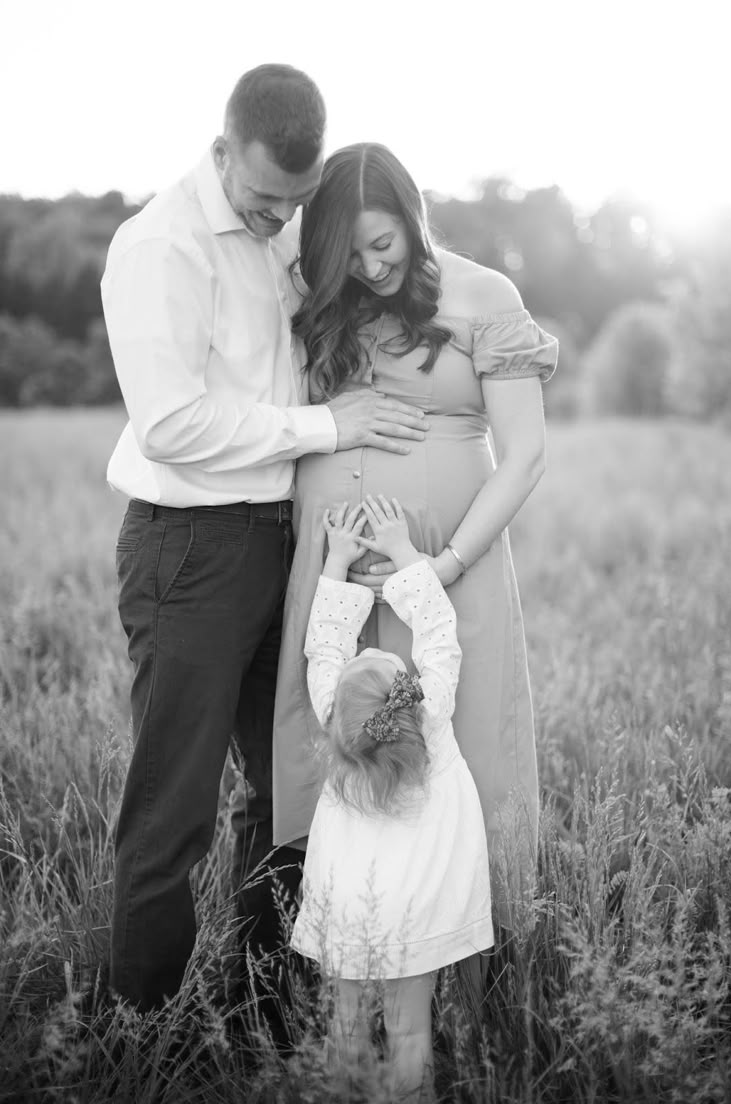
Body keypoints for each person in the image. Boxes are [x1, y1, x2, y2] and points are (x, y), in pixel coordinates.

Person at [101, 71, 428, 1011]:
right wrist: (329, 428)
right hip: (189, 550)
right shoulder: (159, 247)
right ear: (223, 146)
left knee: (288, 784)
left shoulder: (283, 224)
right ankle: (141, 1021)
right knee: (175, 806)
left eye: (295, 197)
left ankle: (263, 1005)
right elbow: (170, 424)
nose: (278, 216)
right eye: (263, 196)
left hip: (275, 541)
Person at [273, 143, 558, 933]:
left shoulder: (483, 295)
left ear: (412, 218)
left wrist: (447, 561)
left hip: (446, 565)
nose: (367, 266)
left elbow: (526, 454)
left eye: (383, 243)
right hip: (334, 573)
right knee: (335, 735)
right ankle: (340, 933)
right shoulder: (320, 295)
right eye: (349, 250)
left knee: (464, 742)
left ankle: (477, 946)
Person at [291, 494, 493, 1101]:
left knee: (345, 1028)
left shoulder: (337, 722)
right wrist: (405, 552)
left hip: (350, 905)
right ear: (404, 693)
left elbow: (325, 649)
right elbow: (437, 632)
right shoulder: (428, 718)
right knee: (410, 1031)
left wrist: (336, 563)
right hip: (420, 906)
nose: (372, 648)